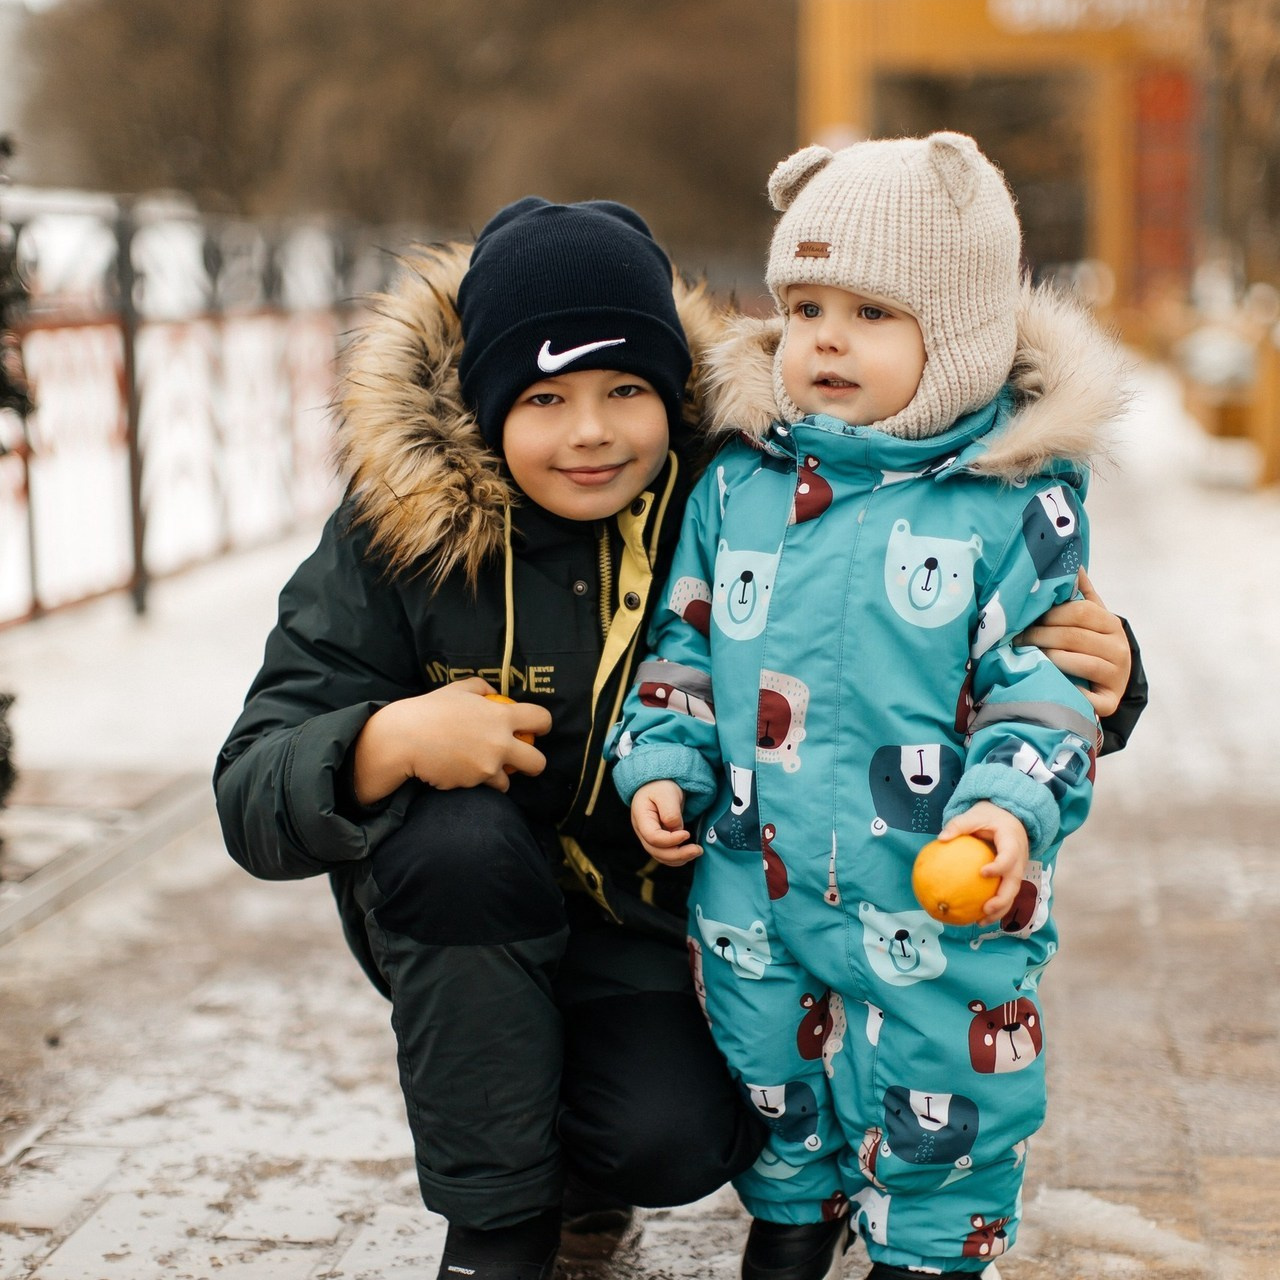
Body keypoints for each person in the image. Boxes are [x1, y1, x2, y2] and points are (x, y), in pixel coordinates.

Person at [213, 192, 1144, 1280]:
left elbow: (920, 634)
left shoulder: (739, 484)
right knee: (456, 841)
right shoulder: (402, 530)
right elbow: (250, 791)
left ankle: (593, 1164)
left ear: (672, 395)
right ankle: (496, 1229)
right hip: (462, 921)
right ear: (481, 403)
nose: (592, 431)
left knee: (679, 1134)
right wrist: (386, 739)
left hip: (655, 925)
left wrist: (1110, 676)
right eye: (545, 397)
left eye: (625, 389)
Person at [613, 133, 1134, 1280]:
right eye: (801, 304)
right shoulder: (739, 482)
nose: (824, 337)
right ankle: (795, 1206)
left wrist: (1003, 811)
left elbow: (1040, 685)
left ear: (952, 338)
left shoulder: (1010, 508)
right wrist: (662, 757)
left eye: (869, 311)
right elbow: (683, 644)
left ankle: (932, 1244)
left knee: (946, 1077)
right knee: (765, 1052)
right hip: (756, 870)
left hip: (935, 884)